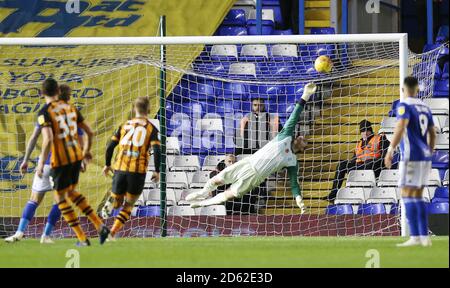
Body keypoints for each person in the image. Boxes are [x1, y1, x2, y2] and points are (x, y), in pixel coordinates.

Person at [186, 83, 317, 211]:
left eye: (305, 141)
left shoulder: (292, 162)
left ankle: (204, 204)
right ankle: (202, 193)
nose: (302, 137)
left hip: (255, 178)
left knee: (228, 195)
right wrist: (305, 95)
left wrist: (298, 198)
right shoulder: (286, 135)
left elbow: (294, 183)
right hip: (247, 163)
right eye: (302, 137)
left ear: (302, 149)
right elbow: (294, 115)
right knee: (217, 180)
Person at [5, 84, 85, 244]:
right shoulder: (72, 113)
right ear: (68, 97)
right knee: (60, 201)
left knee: (34, 199)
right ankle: (46, 235)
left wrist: (26, 159)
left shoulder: (46, 111)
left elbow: (34, 137)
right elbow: (80, 140)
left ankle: (19, 232)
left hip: (47, 163)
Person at [37, 78, 109, 246]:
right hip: (75, 158)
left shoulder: (45, 112)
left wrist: (41, 163)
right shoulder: (71, 109)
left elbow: (47, 139)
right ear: (57, 91)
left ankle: (82, 238)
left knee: (60, 198)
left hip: (60, 161)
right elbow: (89, 132)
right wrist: (85, 153)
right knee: (70, 193)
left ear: (42, 93)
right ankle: (100, 227)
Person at [385, 76, 436, 247]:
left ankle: (415, 236)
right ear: (417, 90)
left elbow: (401, 126)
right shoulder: (424, 106)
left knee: (406, 194)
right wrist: (430, 150)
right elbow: (432, 132)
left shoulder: (404, 105)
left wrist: (390, 149)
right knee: (418, 195)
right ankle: (424, 237)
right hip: (424, 156)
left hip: (411, 155)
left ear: (404, 89)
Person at [101, 96, 161, 239]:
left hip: (120, 168)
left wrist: (107, 164)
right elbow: (157, 150)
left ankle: (113, 199)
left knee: (117, 204)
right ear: (149, 109)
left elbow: (110, 146)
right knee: (128, 205)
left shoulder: (124, 125)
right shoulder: (151, 128)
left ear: (134, 109)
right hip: (137, 171)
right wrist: (157, 170)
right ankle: (112, 233)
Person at [327, 119, 390, 201]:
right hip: (360, 167)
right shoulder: (359, 144)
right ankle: (334, 193)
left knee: (369, 162)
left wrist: (374, 161)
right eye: (363, 130)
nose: (365, 132)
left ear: (370, 130)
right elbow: (353, 159)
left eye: (367, 130)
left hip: (374, 167)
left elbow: (385, 156)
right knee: (342, 164)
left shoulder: (380, 138)